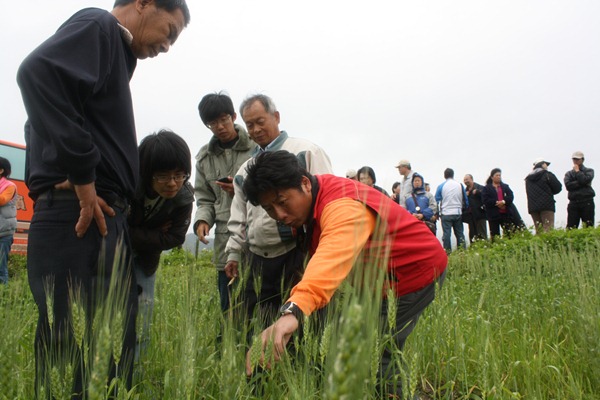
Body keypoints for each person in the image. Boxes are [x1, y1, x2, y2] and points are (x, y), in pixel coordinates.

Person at [16, 0, 190, 396]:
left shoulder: (115, 54)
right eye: (170, 31)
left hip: (103, 217)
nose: (168, 46)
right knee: (70, 342)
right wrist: (82, 178)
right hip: (80, 215)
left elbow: (47, 114)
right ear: (144, 4)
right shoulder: (98, 26)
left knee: (109, 341)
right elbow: (38, 74)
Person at [241, 150, 447, 398]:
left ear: (305, 184)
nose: (279, 215)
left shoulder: (342, 205)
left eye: (282, 202)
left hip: (414, 273)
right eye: (269, 209)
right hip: (378, 279)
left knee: (375, 355)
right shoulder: (314, 199)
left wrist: (292, 312)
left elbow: (331, 256)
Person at [224, 94, 333, 330]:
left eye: (260, 121)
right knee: (258, 320)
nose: (255, 129)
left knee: (300, 318)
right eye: (249, 124)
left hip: (296, 252)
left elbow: (326, 198)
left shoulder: (306, 151)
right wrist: (233, 252)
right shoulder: (245, 170)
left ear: (276, 117)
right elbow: (239, 216)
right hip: (257, 258)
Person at [128, 130, 193, 361]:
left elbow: (176, 238)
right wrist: (154, 233)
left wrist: (132, 233)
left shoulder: (184, 196)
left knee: (141, 320)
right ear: (147, 173)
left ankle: (134, 376)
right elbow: (111, 228)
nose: (172, 183)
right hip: (108, 258)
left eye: (179, 174)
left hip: (145, 263)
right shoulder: (126, 185)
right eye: (163, 176)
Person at [193, 92, 257, 312]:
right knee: (229, 308)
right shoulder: (204, 158)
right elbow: (204, 198)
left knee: (261, 304)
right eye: (212, 123)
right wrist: (202, 220)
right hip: (224, 239)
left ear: (233, 116)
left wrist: (241, 189)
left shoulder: (256, 146)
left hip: (257, 235)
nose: (219, 126)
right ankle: (231, 346)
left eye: (223, 119)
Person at [482, 168, 525, 239]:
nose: (499, 177)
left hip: (505, 214)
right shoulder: (486, 188)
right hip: (493, 214)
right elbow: (485, 200)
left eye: (499, 175)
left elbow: (511, 196)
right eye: (497, 175)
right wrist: (496, 203)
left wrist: (504, 202)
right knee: (495, 235)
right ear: (492, 177)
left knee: (509, 232)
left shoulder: (505, 186)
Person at [525, 158, 562, 233]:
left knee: (539, 230)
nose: (547, 166)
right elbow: (558, 187)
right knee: (548, 228)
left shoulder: (528, 178)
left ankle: (538, 245)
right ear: (542, 164)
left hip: (533, 207)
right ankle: (547, 244)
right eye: (546, 164)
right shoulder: (547, 174)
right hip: (546, 205)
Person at [435, 168, 467, 252]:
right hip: (457, 212)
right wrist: (465, 209)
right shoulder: (459, 185)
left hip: (446, 213)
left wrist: (437, 213)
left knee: (447, 234)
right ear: (453, 175)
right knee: (460, 234)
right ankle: (462, 252)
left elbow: (436, 200)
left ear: (444, 176)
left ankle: (447, 252)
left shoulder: (441, 186)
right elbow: (465, 199)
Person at [564, 151, 595, 229]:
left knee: (588, 225)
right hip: (574, 202)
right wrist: (581, 183)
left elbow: (584, 180)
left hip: (587, 201)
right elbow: (568, 186)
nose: (575, 161)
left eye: (577, 159)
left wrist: (578, 172)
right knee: (571, 227)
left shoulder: (589, 171)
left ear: (582, 160)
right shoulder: (569, 174)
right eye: (574, 159)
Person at [0, 157, 17, 285]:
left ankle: (3, 293)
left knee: (1, 266)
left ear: (1, 170)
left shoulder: (10, 186)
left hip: (4, 232)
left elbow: (3, 200)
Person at [462, 174, 488, 241]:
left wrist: (478, 192)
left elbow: (486, 195)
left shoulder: (479, 187)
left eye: (467, 179)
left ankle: (485, 248)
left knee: (482, 234)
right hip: (471, 216)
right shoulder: (465, 191)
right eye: (464, 180)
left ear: (471, 179)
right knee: (472, 235)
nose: (465, 181)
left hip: (480, 214)